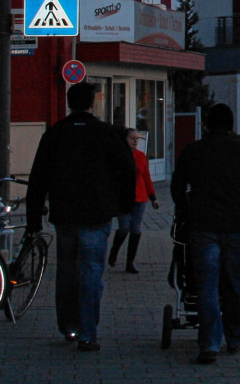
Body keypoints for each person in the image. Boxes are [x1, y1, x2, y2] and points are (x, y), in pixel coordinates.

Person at [25, 82, 136, 352]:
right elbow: (129, 170)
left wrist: (33, 219)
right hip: (97, 215)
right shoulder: (106, 133)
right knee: (91, 273)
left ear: (68, 103)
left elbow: (38, 178)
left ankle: (69, 327)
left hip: (64, 214)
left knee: (66, 273)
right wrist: (123, 205)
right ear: (92, 104)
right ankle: (88, 332)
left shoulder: (55, 134)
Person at [172, 102, 240, 366]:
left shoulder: (194, 150)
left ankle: (209, 344)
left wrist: (187, 210)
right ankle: (234, 338)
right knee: (232, 284)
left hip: (202, 226)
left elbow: (177, 187)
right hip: (234, 226)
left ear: (207, 124)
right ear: (231, 125)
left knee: (206, 286)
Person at [108, 127, 159, 273]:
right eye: (132, 138)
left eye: (137, 139)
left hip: (140, 197)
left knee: (135, 229)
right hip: (124, 197)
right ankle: (114, 251)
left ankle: (130, 262)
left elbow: (146, 177)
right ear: (125, 139)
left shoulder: (141, 156)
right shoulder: (119, 156)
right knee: (124, 227)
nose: (135, 141)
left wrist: (153, 197)